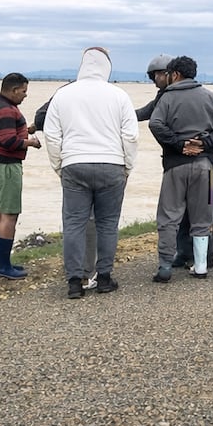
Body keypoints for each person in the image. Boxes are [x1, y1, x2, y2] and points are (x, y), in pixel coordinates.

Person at [43, 47, 139, 300]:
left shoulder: (63, 95)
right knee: (108, 224)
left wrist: (59, 165)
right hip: (112, 164)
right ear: (107, 67)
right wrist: (127, 166)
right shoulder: (119, 95)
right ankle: (104, 277)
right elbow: (130, 136)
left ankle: (75, 281)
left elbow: (51, 136)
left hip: (74, 164)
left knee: (74, 224)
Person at [135, 55, 213, 272]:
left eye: (158, 75)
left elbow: (153, 122)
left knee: (173, 214)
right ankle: (195, 259)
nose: (155, 80)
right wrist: (205, 143)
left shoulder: (167, 98)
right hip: (205, 166)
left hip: (178, 165)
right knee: (202, 213)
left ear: (172, 74)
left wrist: (181, 144)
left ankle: (173, 264)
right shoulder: (209, 96)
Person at [0, 72, 41, 279]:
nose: (25, 95)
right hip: (5, 166)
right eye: (23, 91)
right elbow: (8, 142)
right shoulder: (7, 110)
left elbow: (5, 133)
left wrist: (26, 129)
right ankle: (4, 266)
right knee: (10, 215)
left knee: (1, 213)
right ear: (14, 90)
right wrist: (32, 143)